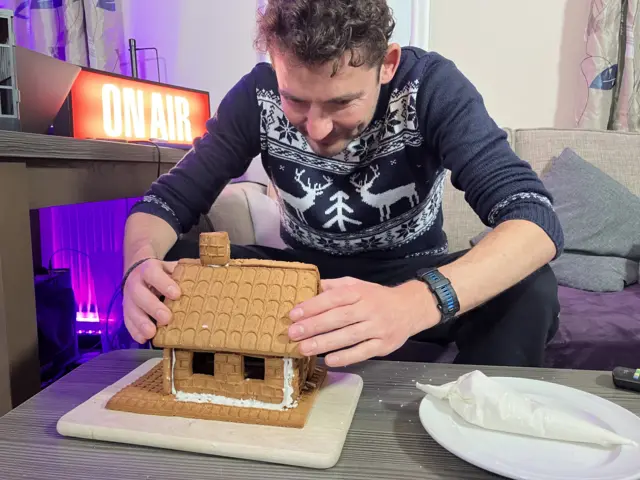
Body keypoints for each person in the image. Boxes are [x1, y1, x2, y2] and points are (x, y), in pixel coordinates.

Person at [122, 0, 563, 368]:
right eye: (295, 99)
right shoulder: (256, 95)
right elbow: (164, 204)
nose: (315, 129)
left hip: (410, 275)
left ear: (386, 65)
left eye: (341, 102)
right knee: (174, 267)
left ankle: (476, 426)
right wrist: (137, 266)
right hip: (305, 279)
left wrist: (412, 305)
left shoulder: (431, 86)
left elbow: (534, 219)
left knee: (530, 287)